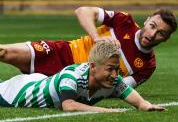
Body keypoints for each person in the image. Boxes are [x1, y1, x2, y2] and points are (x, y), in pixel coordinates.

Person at [0, 7, 177, 88]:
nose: (153, 34)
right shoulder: (124, 21)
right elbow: (82, 11)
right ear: (146, 20)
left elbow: (118, 88)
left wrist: (106, 67)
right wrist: (98, 39)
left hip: (78, 84)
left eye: (161, 33)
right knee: (4, 52)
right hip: (63, 54)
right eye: (152, 26)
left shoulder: (148, 65)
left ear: (166, 38)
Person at [0, 41, 165, 112]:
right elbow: (69, 106)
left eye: (117, 69)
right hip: (13, 93)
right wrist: (108, 111)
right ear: (93, 66)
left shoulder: (112, 79)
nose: (115, 75)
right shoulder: (71, 76)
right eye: (110, 69)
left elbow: (134, 98)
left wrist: (145, 105)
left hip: (39, 80)